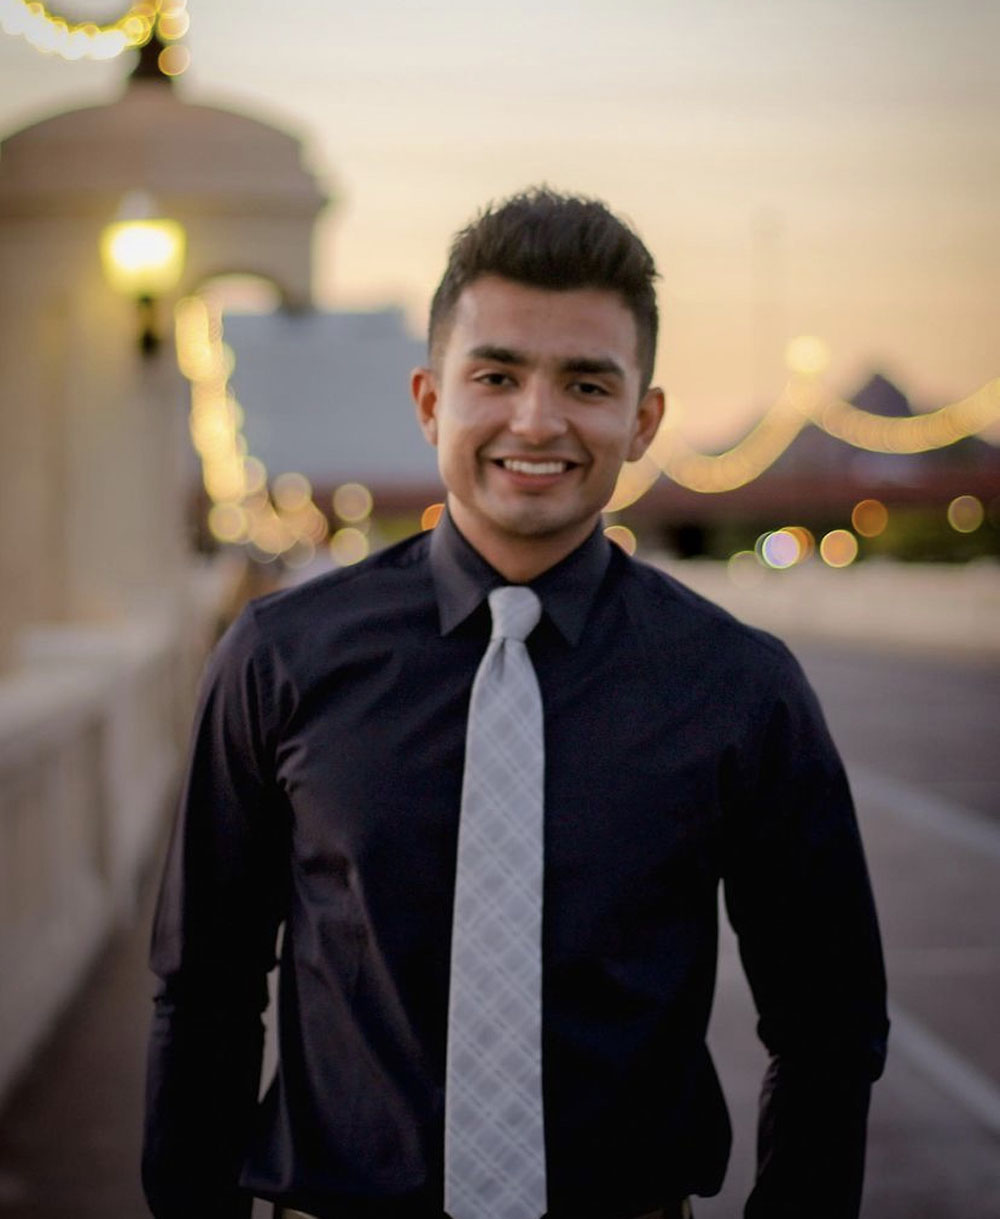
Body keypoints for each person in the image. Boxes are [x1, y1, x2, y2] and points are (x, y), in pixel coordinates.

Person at [142, 188, 888, 1219]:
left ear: (643, 420)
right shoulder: (279, 657)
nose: (535, 421)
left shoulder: (739, 688)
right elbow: (206, 993)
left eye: (586, 382)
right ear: (429, 400)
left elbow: (827, 1030)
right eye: (495, 374)